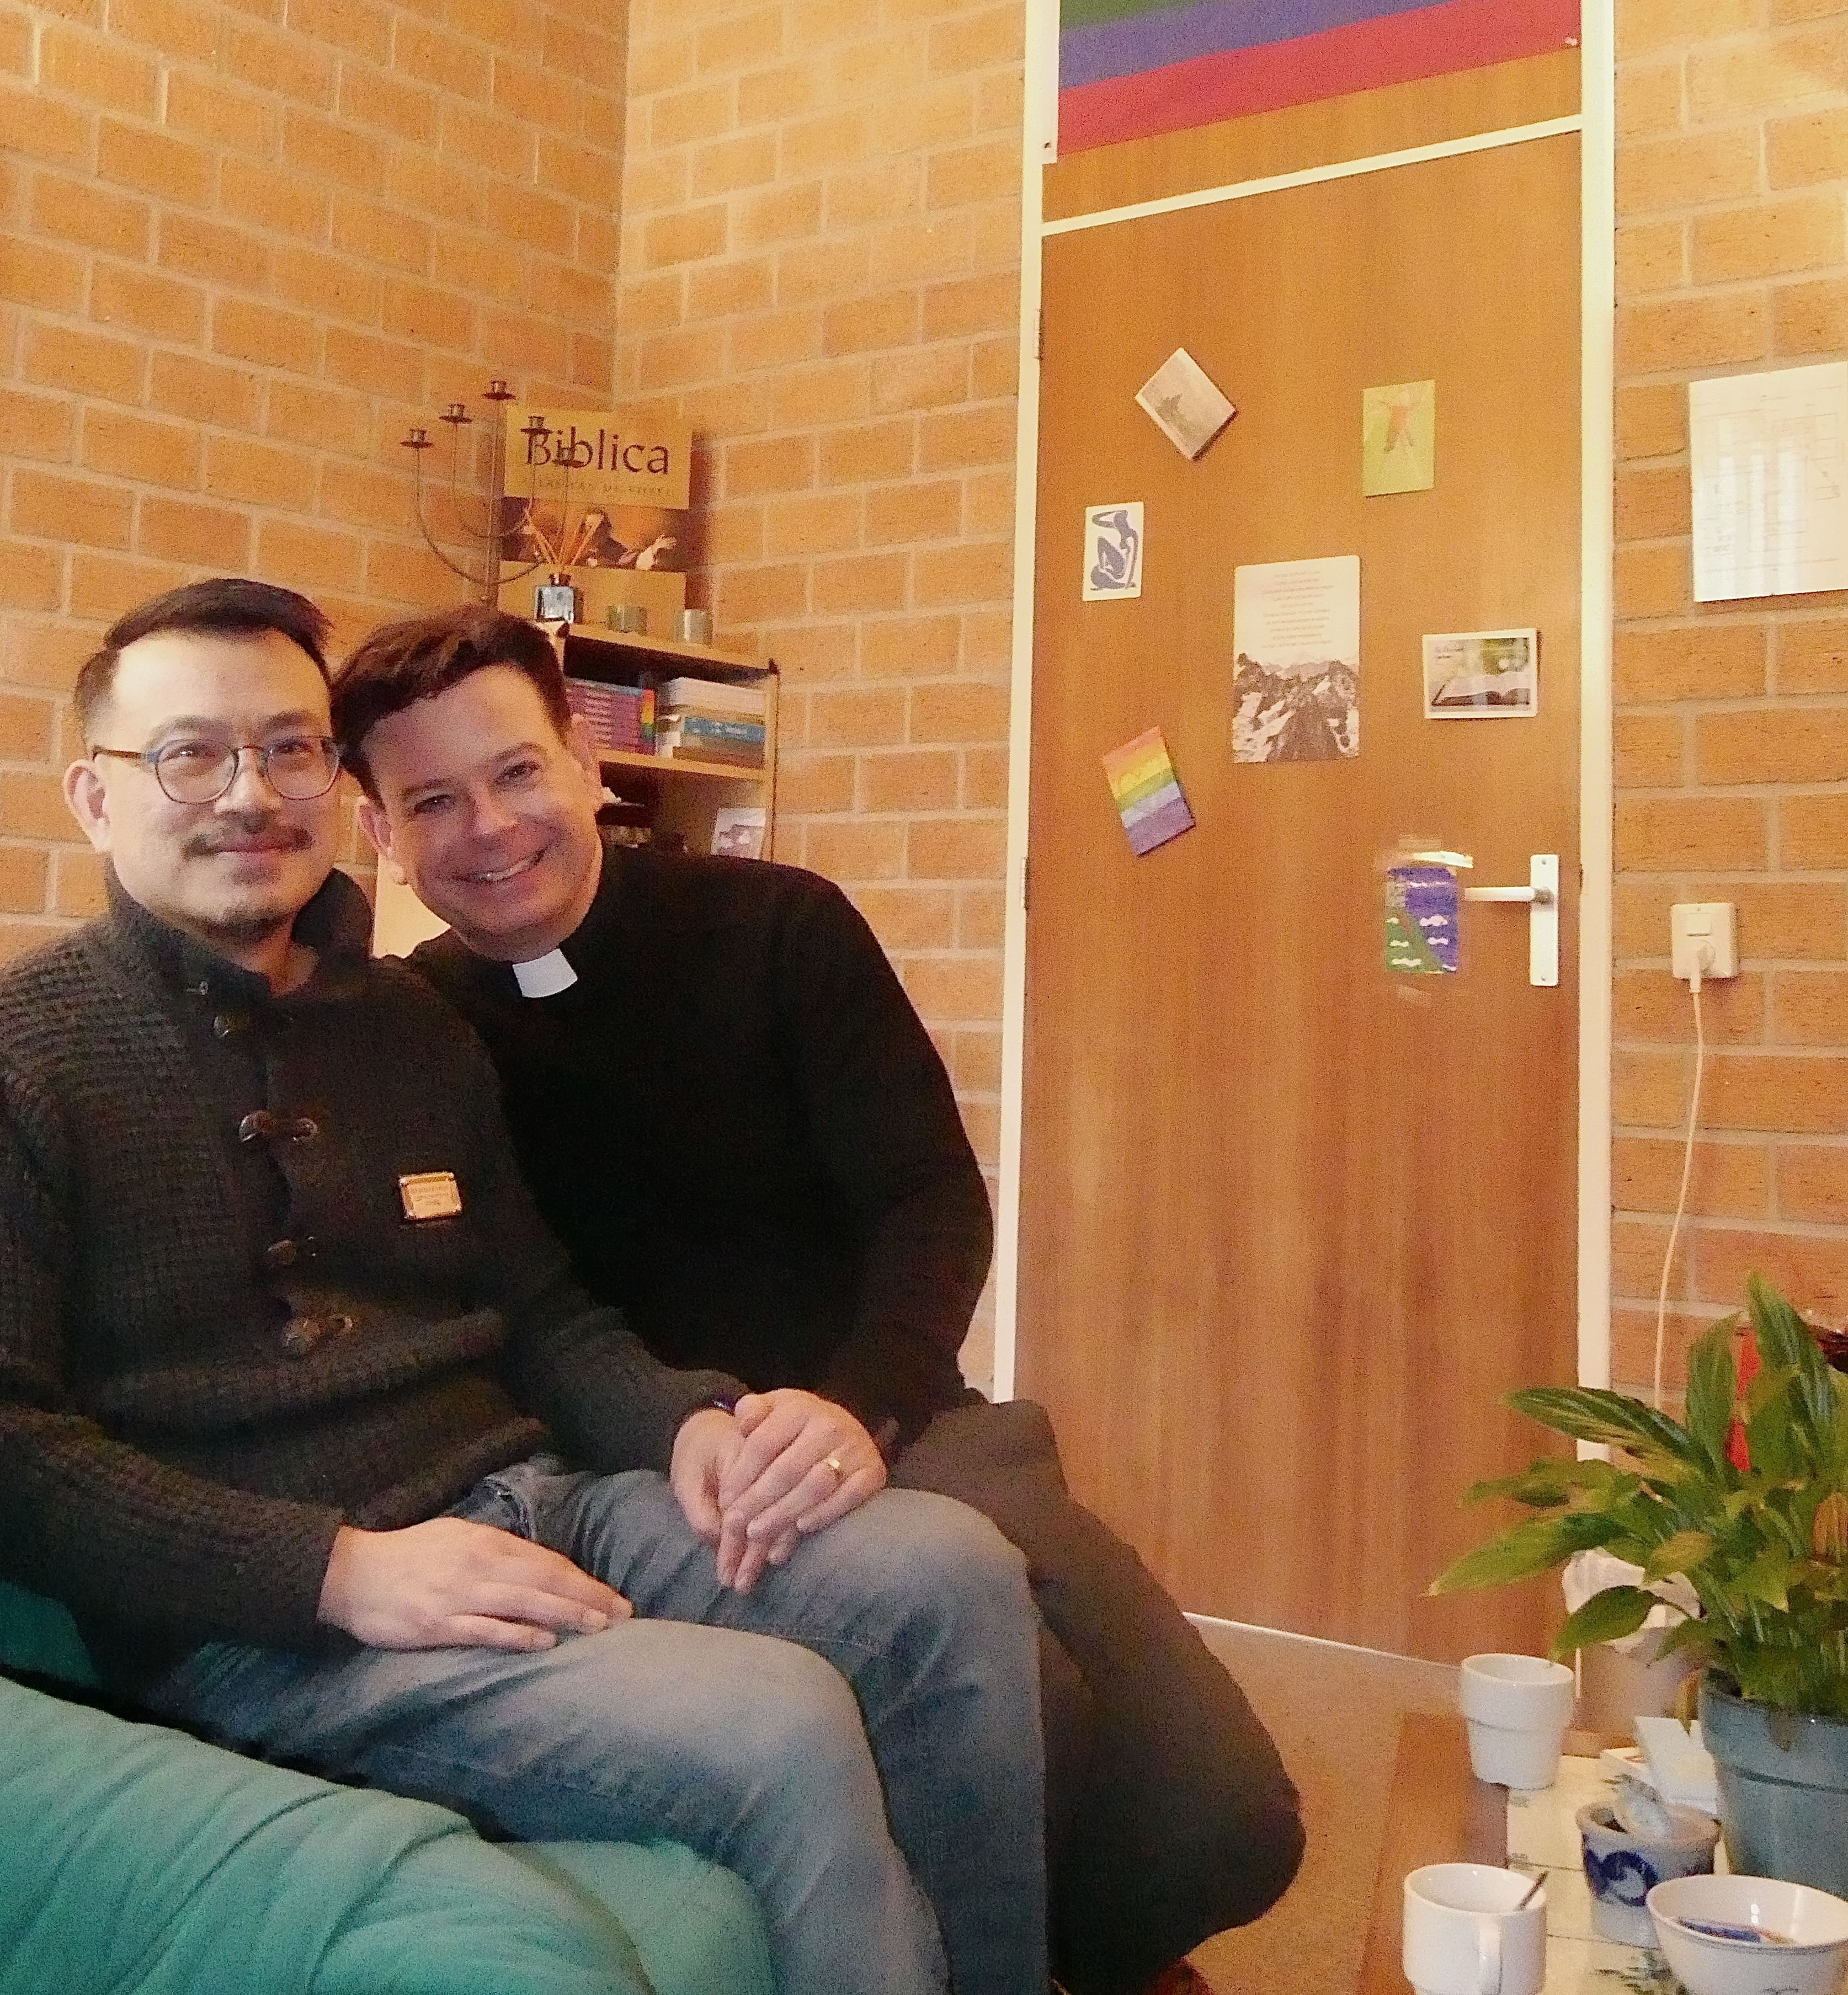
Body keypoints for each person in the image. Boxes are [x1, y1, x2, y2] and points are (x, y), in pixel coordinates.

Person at [0, 579, 1048, 1995]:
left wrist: (684, 1425)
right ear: (95, 798)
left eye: (288, 750)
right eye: (189, 755)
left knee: (940, 1571)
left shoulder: (412, 1026)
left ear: (337, 792)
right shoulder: (3, 1060)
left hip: (536, 1501)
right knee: (774, 1722)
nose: (250, 793)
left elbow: (538, 1307)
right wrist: (333, 1569)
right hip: (266, 1626)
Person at [336, 602, 1306, 1995]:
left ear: (587, 766)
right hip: (664, 1473)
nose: (488, 827)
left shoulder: (777, 927)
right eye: (431, 800)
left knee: (1224, 1825)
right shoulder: (417, 1026)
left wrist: (858, 1404)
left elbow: (929, 1199)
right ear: (382, 832)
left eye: (517, 770)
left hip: (890, 1413)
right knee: (1013, 1710)